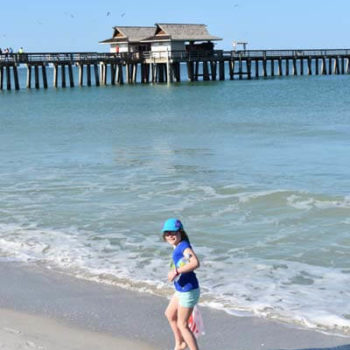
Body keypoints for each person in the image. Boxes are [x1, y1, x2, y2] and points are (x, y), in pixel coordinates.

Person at [162, 218, 200, 350]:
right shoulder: (178, 246)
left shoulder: (183, 246)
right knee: (170, 314)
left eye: (173, 232)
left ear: (180, 232)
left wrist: (176, 271)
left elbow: (195, 263)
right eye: (167, 233)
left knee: (182, 324)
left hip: (188, 290)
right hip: (182, 289)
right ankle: (180, 343)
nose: (170, 235)